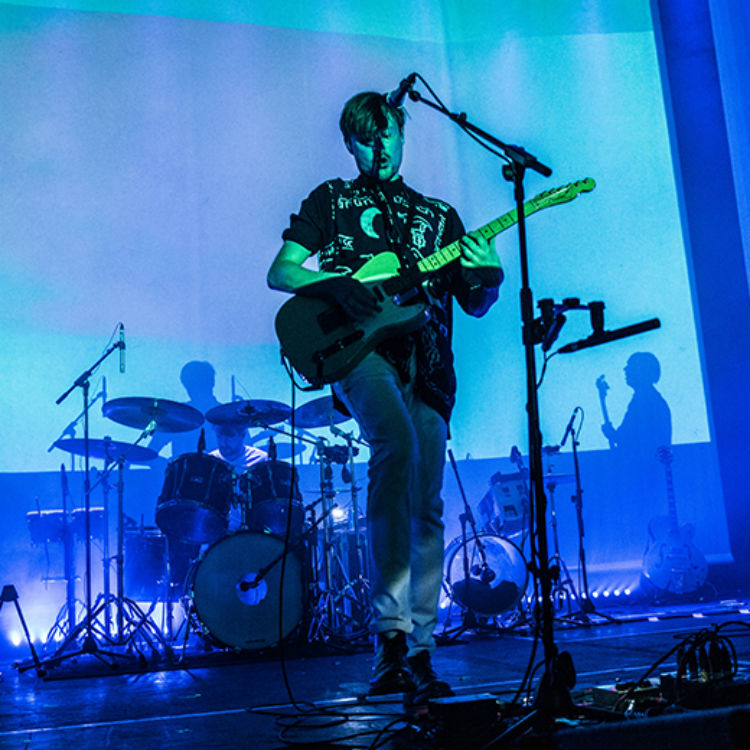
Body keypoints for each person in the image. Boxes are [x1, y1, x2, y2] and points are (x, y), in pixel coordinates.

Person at [267, 90, 503, 706]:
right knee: (394, 445)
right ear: (351, 144)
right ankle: (388, 637)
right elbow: (283, 271)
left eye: (388, 136)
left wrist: (489, 270)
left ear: (401, 136)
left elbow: (474, 302)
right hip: (359, 351)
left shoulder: (438, 217)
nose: (380, 147)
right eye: (366, 139)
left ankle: (417, 649)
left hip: (428, 365)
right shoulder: (332, 200)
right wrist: (338, 284)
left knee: (426, 502)